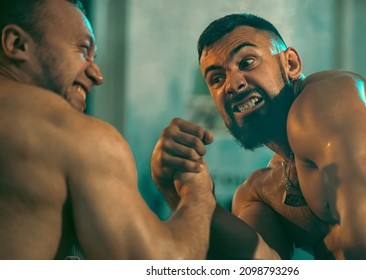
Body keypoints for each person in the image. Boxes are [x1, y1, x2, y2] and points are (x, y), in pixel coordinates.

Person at [151, 13, 366, 259]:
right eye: (217, 78)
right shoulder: (260, 192)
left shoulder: (327, 98)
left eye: (247, 62)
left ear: (291, 64)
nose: (234, 83)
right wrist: (184, 192)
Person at [0, 0, 215, 260]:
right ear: (16, 44)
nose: (97, 75)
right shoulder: (75, 136)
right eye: (83, 50)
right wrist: (198, 193)